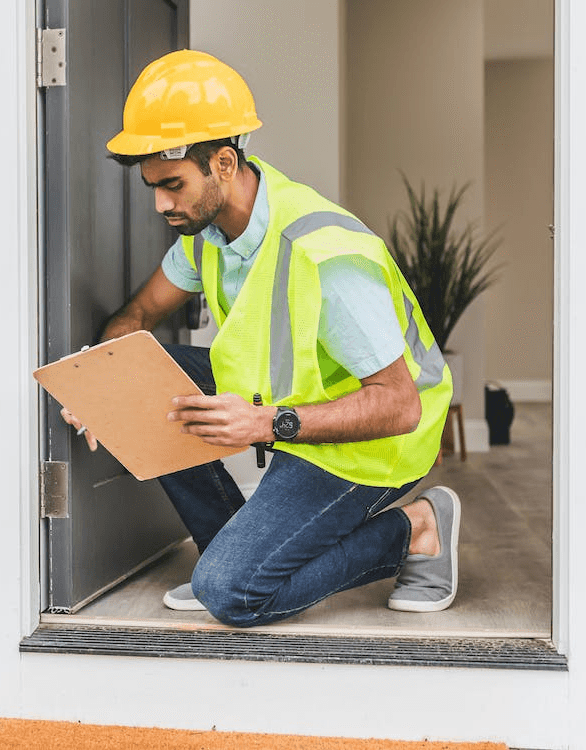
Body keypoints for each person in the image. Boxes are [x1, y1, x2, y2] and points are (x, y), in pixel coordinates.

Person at [61, 50, 461, 627]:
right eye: (153, 187)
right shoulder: (208, 234)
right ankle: (234, 549)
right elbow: (140, 312)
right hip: (290, 413)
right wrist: (104, 385)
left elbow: (399, 405)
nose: (160, 204)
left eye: (172, 185)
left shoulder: (324, 254)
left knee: (232, 594)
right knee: (143, 376)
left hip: (372, 445)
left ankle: (418, 527)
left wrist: (268, 423)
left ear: (223, 163)